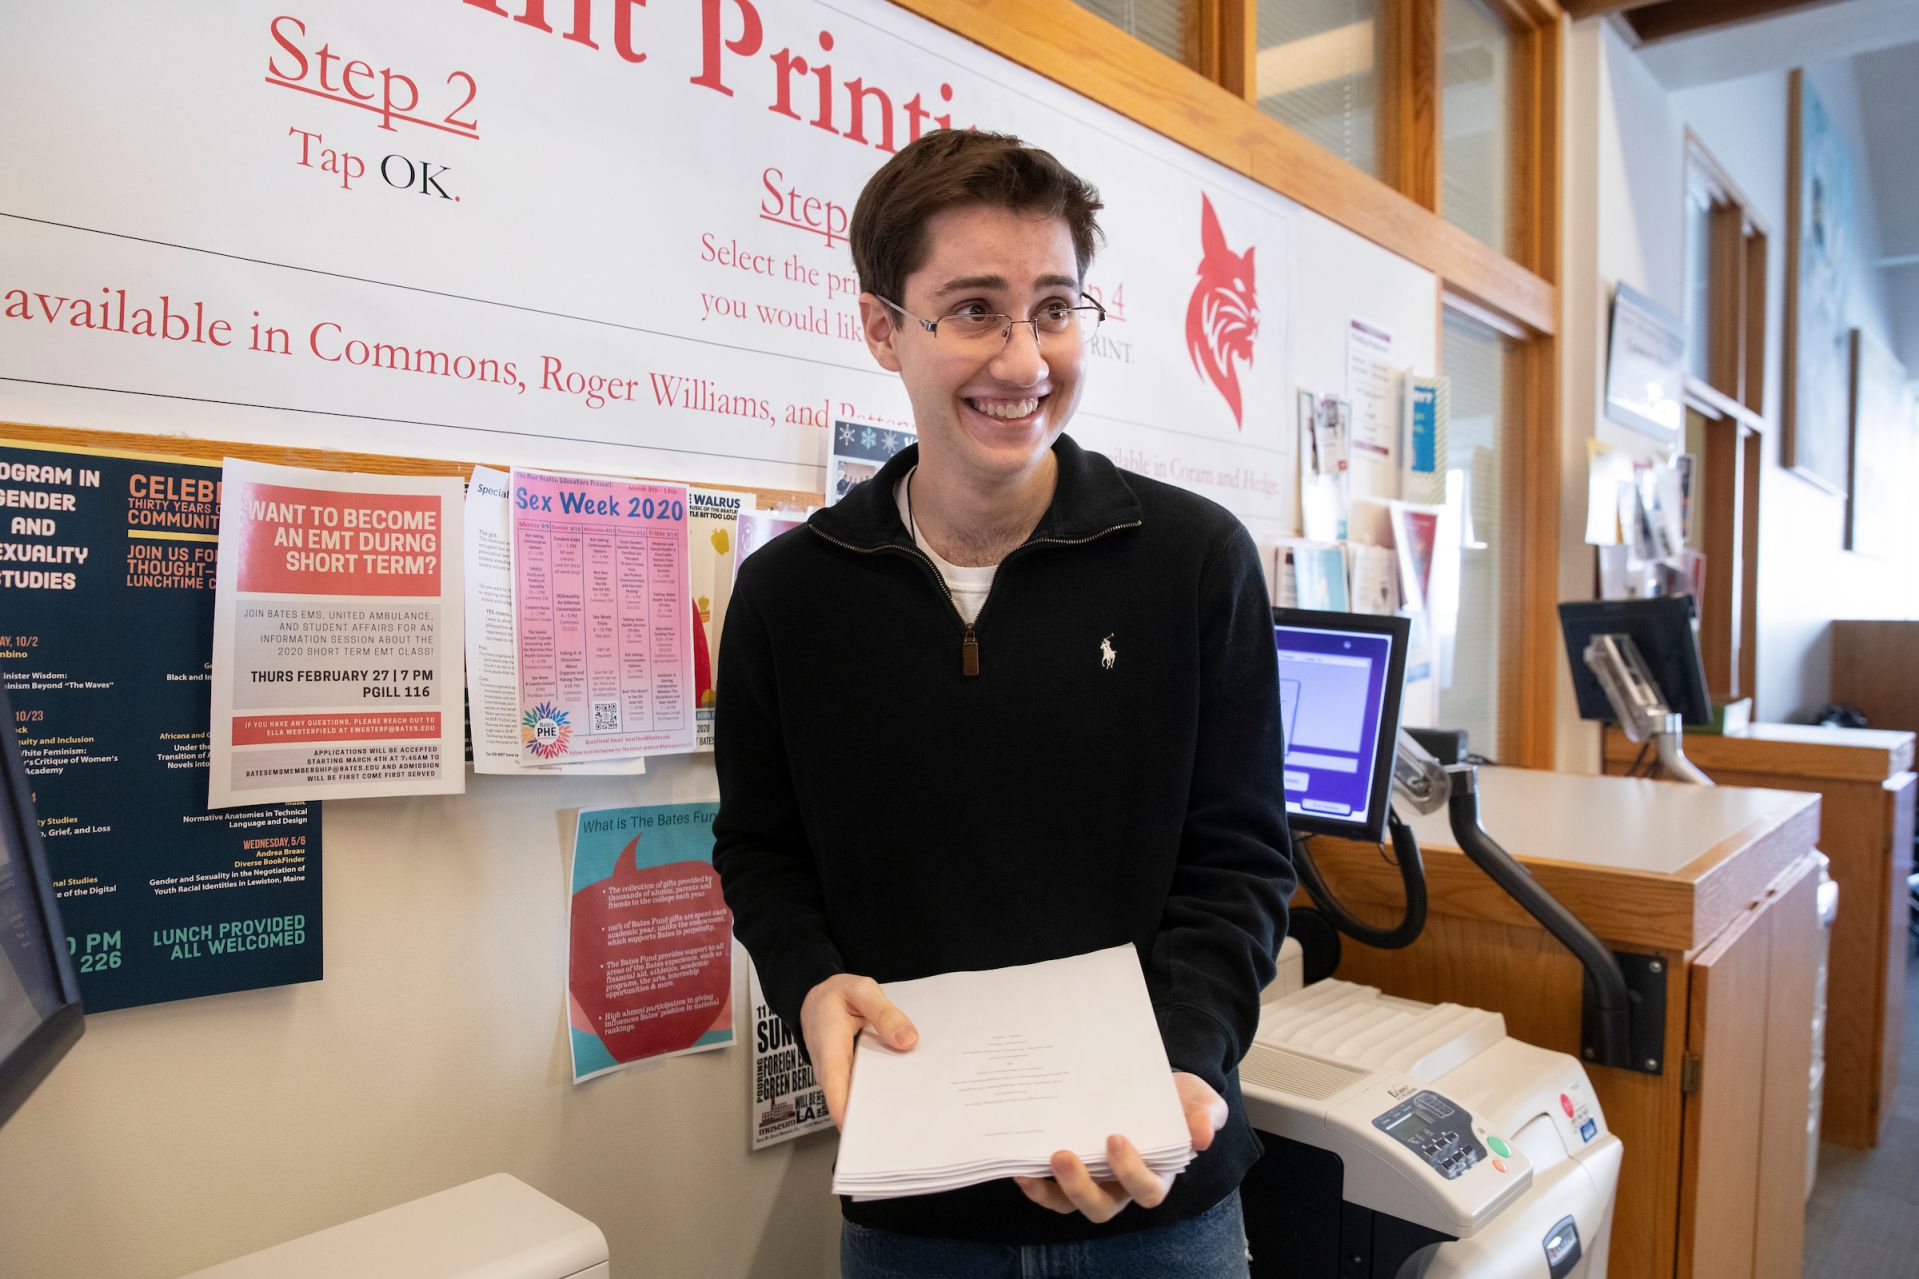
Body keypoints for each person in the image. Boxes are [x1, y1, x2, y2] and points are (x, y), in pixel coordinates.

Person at [713, 128, 1292, 1278]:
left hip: (1158, 1203)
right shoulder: (789, 593)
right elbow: (763, 853)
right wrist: (810, 983)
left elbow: (1238, 860)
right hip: (916, 1216)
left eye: (1055, 308)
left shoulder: (1191, 561)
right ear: (883, 327)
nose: (1024, 359)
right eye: (973, 309)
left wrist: (1183, 1059)